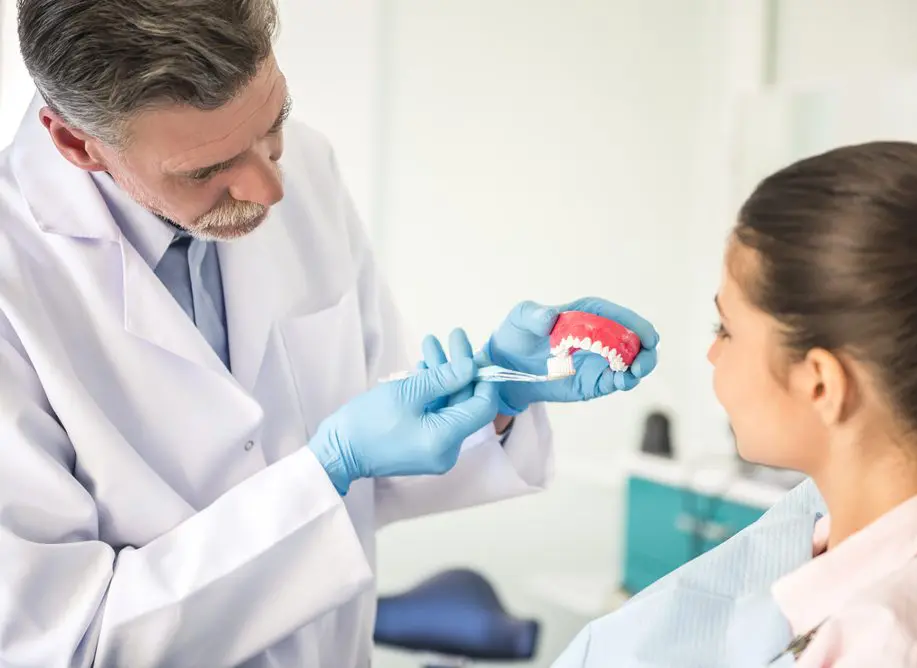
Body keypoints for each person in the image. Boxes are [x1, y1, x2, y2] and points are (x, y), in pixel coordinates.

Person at [0, 2, 660, 667]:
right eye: (204, 171)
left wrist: (494, 398)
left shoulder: (306, 166)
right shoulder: (14, 284)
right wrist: (326, 469)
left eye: (274, 123)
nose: (270, 186)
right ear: (77, 143)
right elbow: (69, 642)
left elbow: (382, 445)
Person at [553, 140, 917, 667]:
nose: (712, 353)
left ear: (820, 384)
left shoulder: (890, 647)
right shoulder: (865, 535)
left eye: (726, 329)